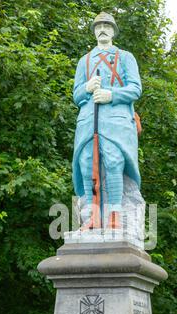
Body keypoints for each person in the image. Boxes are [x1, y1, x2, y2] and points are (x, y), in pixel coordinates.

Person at [73, 12, 142, 229]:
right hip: (87, 121)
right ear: (94, 31)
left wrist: (110, 94)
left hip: (116, 122)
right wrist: (87, 88)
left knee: (113, 162)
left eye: (107, 25)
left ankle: (114, 215)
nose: (102, 29)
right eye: (98, 26)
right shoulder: (84, 61)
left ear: (113, 30)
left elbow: (135, 89)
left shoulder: (126, 57)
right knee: (86, 165)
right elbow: (76, 95)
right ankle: (92, 217)